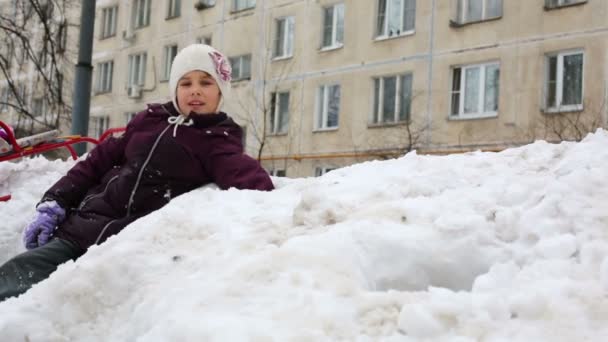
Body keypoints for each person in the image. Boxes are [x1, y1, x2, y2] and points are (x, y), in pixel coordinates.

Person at [0, 44, 274, 302]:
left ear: (221, 90)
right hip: (82, 229)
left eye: (206, 82)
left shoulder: (216, 140)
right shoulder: (149, 120)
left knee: (60, 303)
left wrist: (282, 205)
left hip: (123, 249)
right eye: (186, 83)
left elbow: (251, 184)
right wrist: (55, 201)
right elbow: (96, 161)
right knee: (16, 276)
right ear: (175, 89)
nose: (195, 91)